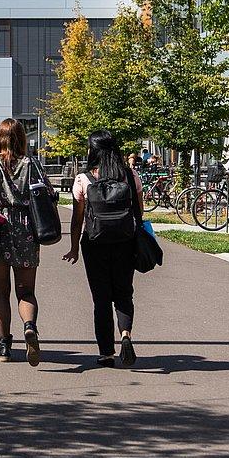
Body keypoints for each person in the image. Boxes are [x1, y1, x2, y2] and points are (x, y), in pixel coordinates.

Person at [0, 118, 48, 366]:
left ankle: (4, 346)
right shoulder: (32, 164)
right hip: (26, 230)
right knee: (26, 291)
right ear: (22, 139)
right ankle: (30, 326)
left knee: (1, 291)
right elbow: (47, 194)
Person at [63, 130, 143, 368]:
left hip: (94, 243)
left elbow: (77, 218)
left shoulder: (84, 178)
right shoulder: (129, 175)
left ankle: (107, 352)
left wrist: (74, 248)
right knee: (124, 293)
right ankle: (125, 334)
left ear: (93, 151)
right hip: (125, 241)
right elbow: (139, 210)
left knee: (101, 299)